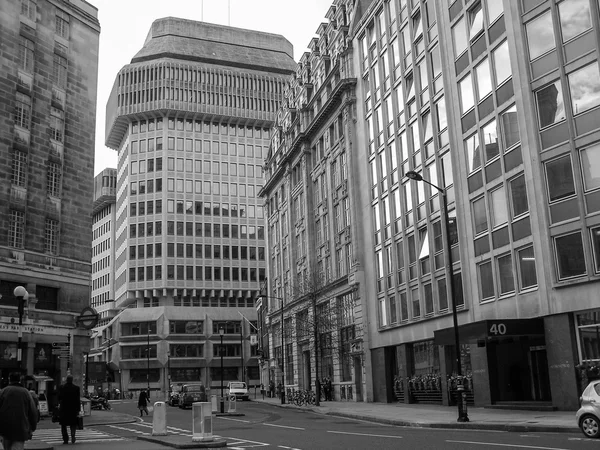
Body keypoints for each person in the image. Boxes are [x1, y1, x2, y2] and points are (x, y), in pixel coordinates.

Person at [0, 372, 38, 450]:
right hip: (21, 428)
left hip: (5, 428)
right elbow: (33, 412)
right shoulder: (26, 393)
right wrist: (32, 427)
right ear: (19, 380)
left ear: (9, 380)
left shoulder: (3, 392)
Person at [58, 374, 81, 445]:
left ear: (66, 380)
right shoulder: (76, 388)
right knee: (73, 424)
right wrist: (78, 409)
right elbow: (78, 400)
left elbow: (59, 398)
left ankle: (65, 439)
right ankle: (73, 435)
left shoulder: (62, 387)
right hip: (73, 409)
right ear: (72, 380)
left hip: (64, 409)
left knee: (63, 425)